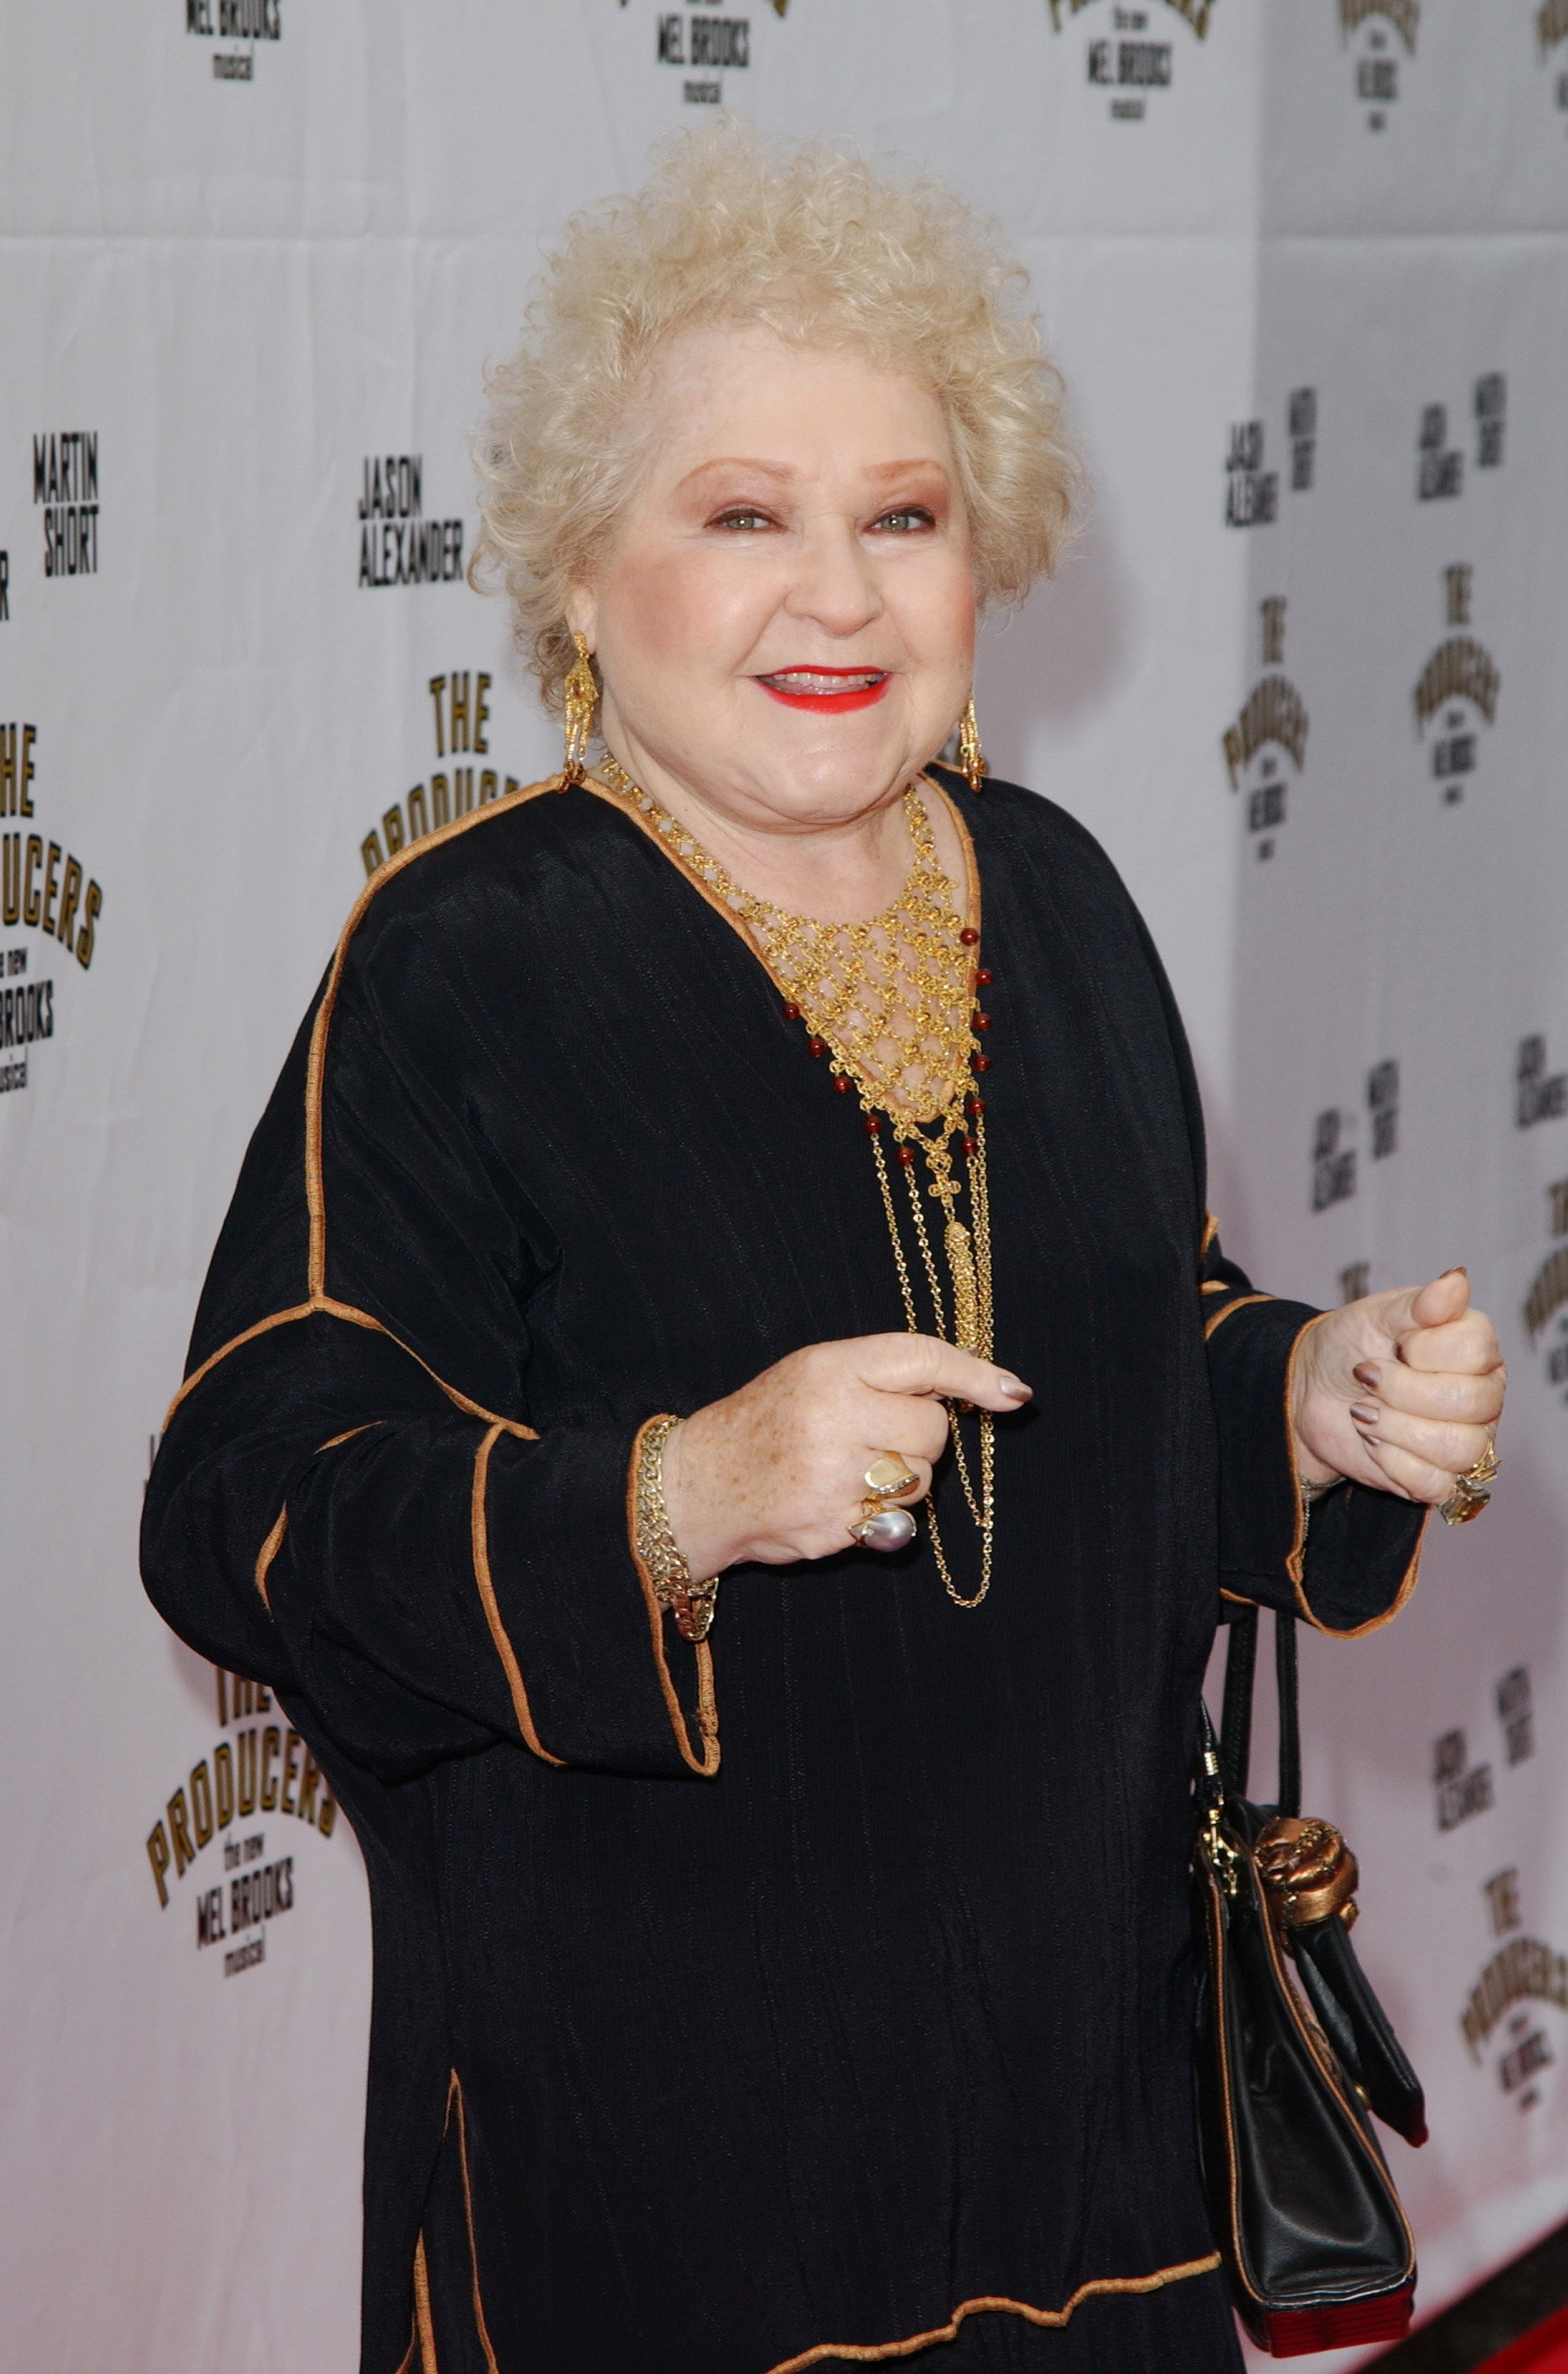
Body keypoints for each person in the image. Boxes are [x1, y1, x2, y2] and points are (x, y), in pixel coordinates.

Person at [142, 123, 1507, 2374]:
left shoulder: (1056, 899)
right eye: (742, 515)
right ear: (583, 578)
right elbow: (251, 1507)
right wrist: (675, 1497)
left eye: (904, 514)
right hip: (659, 2186)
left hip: (1089, 2146)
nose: (842, 595)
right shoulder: (463, 960)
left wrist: (1303, 1399)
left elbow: (1120, 1348)